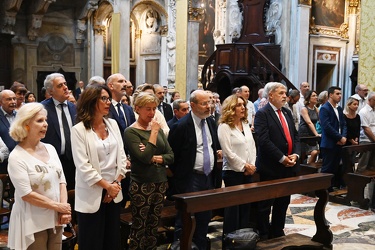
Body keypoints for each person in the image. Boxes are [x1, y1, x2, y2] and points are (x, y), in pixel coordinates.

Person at [7, 103, 71, 250]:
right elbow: (27, 194)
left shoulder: (51, 149)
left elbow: (61, 181)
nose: (46, 124)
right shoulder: (16, 156)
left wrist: (63, 209)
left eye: (45, 120)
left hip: (56, 216)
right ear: (26, 124)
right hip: (32, 219)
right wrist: (59, 206)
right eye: (40, 121)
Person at [71, 84, 127, 250]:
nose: (108, 102)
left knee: (111, 240)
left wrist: (115, 184)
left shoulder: (113, 124)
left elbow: (122, 157)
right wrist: (106, 186)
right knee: (91, 242)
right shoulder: (79, 130)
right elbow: (83, 166)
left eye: (109, 98)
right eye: (103, 98)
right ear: (91, 101)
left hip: (114, 191)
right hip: (92, 192)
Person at [168, 90, 220, 249]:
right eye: (204, 103)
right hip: (190, 178)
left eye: (210, 103)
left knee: (205, 216)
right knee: (185, 219)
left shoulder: (210, 122)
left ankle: (201, 246)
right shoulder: (181, 126)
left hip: (208, 176)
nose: (208, 107)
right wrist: (181, 178)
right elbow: (173, 156)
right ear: (192, 105)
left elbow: (212, 146)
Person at [124, 92, 174, 249]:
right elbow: (143, 158)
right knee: (140, 225)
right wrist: (152, 134)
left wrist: (154, 157)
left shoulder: (158, 130)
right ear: (137, 109)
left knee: (153, 225)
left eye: (154, 109)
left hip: (160, 182)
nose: (152, 113)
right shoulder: (131, 132)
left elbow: (171, 156)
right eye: (148, 109)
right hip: (141, 184)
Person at [254, 82, 300, 240]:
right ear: (271, 95)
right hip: (270, 166)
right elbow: (264, 141)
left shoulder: (286, 113)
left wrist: (295, 154)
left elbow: (295, 137)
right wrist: (281, 158)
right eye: (280, 93)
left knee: (283, 201)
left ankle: (278, 230)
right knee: (266, 203)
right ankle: (264, 232)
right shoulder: (263, 114)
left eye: (285, 93)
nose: (284, 96)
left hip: (288, 166)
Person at [218, 94, 256, 235]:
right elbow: (227, 152)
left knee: (246, 207)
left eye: (243, 105)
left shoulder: (245, 124)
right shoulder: (224, 127)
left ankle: (244, 239)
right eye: (239, 105)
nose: (243, 108)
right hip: (233, 173)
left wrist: (251, 165)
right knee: (233, 210)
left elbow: (252, 146)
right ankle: (231, 240)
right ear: (231, 108)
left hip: (248, 172)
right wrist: (244, 165)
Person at [41, 73, 77, 190]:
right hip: (52, 162)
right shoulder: (42, 109)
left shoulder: (75, 108)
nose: (65, 87)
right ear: (50, 91)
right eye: (60, 85)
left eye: (65, 84)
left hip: (74, 161)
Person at [319, 86, 347, 191]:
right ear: (331, 95)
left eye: (340, 94)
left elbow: (343, 124)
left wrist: (343, 137)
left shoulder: (339, 108)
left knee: (336, 167)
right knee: (327, 168)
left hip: (339, 142)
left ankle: (331, 188)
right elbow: (326, 126)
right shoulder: (324, 108)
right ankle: (323, 190)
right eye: (337, 94)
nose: (340, 96)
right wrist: (339, 137)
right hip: (329, 143)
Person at [298, 90, 320, 164]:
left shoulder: (316, 109)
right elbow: (309, 122)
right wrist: (316, 134)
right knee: (305, 153)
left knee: (315, 152)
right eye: (313, 96)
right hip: (304, 132)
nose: (316, 97)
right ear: (308, 98)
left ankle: (310, 167)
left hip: (312, 131)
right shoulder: (304, 109)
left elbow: (321, 121)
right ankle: (305, 168)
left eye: (316, 95)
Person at [0, 90, 18, 173]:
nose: (13, 102)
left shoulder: (20, 115)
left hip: (20, 160)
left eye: (14, 99)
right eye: (9, 99)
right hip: (4, 163)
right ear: (1, 102)